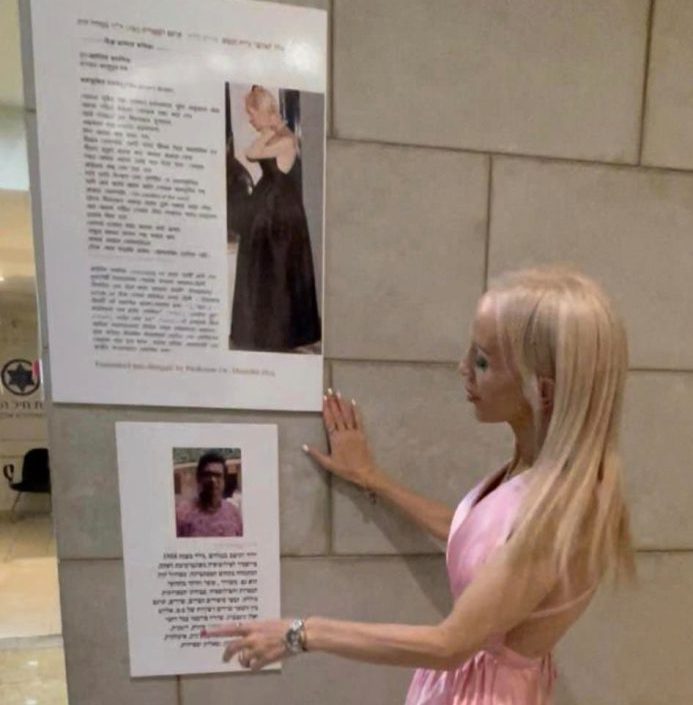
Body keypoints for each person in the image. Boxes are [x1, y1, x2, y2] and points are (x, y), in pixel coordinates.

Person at [204, 266, 635, 704]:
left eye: (482, 361)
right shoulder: (534, 470)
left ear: (542, 391)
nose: (463, 368)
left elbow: (449, 645)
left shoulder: (564, 508)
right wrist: (372, 478)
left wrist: (301, 633)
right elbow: (481, 540)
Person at [230, 85, 321, 352]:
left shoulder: (285, 140)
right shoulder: (276, 136)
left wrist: (269, 130)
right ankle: (260, 332)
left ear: (263, 111)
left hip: (280, 216)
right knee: (265, 272)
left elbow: (252, 153)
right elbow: (252, 151)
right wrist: (268, 129)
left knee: (278, 273)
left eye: (252, 113)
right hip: (268, 212)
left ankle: (279, 335)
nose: (250, 120)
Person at [176, 452, 243, 538]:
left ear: (224, 480)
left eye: (218, 475)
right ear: (198, 478)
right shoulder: (182, 515)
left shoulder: (233, 513)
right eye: (208, 475)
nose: (212, 480)